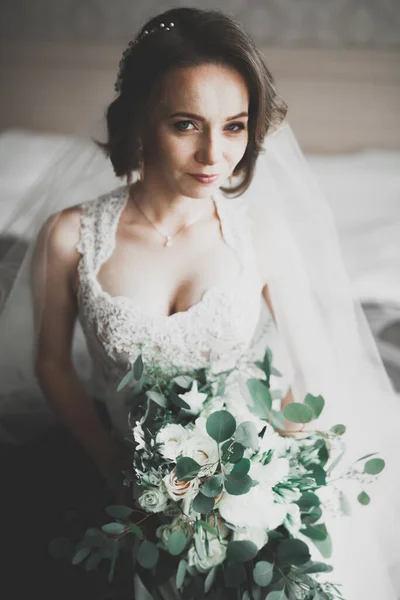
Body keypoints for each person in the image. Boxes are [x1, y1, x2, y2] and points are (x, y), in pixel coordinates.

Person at [1, 7, 399, 600]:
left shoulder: (262, 235)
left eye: (235, 126)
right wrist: (113, 467)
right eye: (187, 124)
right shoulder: (68, 237)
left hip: (250, 493)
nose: (215, 154)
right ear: (139, 119)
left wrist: (261, 486)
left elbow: (312, 374)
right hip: (127, 483)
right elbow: (52, 365)